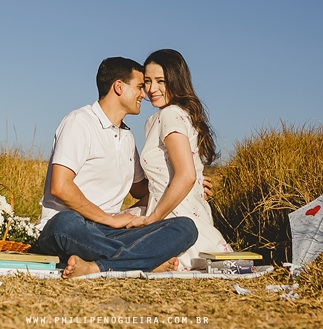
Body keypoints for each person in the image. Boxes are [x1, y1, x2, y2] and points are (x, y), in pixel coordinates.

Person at [35, 57, 198, 278]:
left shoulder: (127, 137)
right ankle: (142, 262)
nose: (145, 94)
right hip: (72, 229)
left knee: (185, 228)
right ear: (119, 87)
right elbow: (60, 187)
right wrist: (109, 219)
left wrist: (193, 184)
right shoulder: (79, 122)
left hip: (109, 233)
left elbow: (143, 190)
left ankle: (97, 266)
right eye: (140, 86)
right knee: (66, 223)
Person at [127, 49, 231, 269]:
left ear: (176, 80)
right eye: (147, 81)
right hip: (167, 205)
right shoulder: (157, 119)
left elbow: (186, 175)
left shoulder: (170, 115)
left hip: (174, 212)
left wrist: (152, 218)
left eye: (160, 81)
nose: (152, 89)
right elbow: (173, 176)